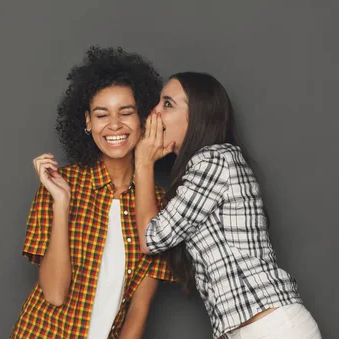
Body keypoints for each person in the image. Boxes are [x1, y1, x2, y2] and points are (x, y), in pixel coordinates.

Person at [133, 72, 321, 339]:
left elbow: (151, 238)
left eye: (168, 104)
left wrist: (143, 163)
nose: (154, 112)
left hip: (271, 327)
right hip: (253, 328)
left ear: (197, 116)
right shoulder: (202, 168)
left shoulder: (215, 160)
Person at [10, 46, 176, 339]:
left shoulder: (159, 205)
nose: (114, 124)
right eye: (102, 115)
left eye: (126, 112)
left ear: (143, 120)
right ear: (88, 122)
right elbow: (55, 294)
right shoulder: (59, 184)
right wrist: (61, 204)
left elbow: (139, 310)